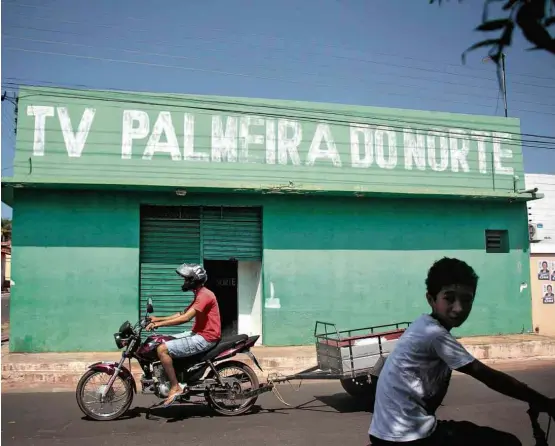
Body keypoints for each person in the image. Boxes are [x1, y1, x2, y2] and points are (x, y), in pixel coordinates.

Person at [368, 257, 555, 445]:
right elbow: (488, 376)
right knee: (507, 443)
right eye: (449, 298)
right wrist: (543, 402)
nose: (459, 308)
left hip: (386, 431)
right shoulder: (435, 335)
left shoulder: (423, 324)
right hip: (408, 437)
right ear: (431, 299)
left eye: (467, 300)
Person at [146, 263, 222, 407]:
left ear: (194, 280)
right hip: (198, 333)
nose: (184, 282)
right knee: (164, 340)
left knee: (162, 349)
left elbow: (185, 318)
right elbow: (182, 313)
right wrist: (158, 318)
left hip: (206, 338)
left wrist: (158, 324)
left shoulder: (204, 295)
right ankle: (176, 374)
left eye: (186, 279)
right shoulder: (200, 294)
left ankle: (175, 386)